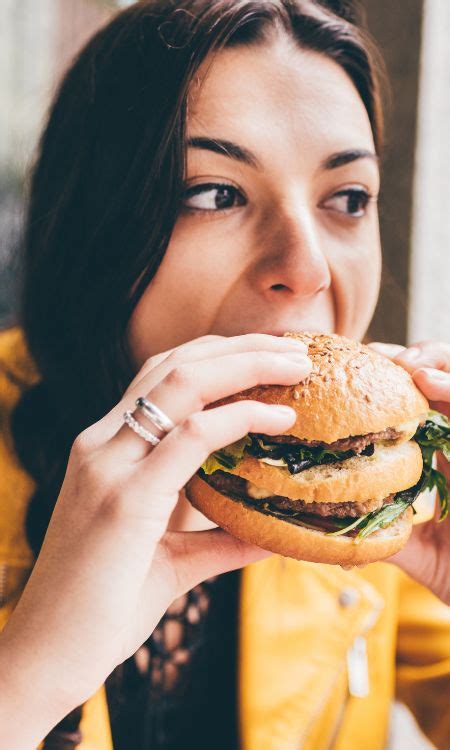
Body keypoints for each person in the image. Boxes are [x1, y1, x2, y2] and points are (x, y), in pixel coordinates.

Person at [0, 1, 449, 748]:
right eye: (215, 193)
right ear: (95, 224)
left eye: (347, 199)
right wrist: (34, 675)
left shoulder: (368, 500)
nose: (305, 271)